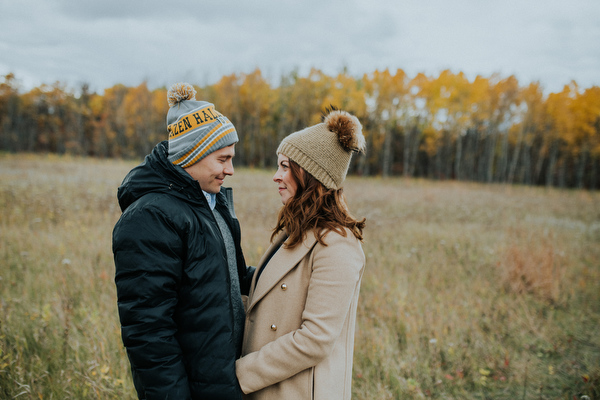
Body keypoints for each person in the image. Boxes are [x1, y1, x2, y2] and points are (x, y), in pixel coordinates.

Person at [112, 82, 253, 400]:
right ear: (194, 154)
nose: (230, 170)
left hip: (225, 380)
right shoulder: (150, 217)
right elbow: (149, 332)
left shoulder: (212, 205)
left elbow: (234, 279)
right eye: (222, 159)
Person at [236, 107, 367, 400]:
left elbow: (315, 340)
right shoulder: (296, 231)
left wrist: (240, 374)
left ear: (310, 175)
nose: (276, 176)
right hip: (269, 387)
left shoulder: (337, 245)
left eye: (285, 167)